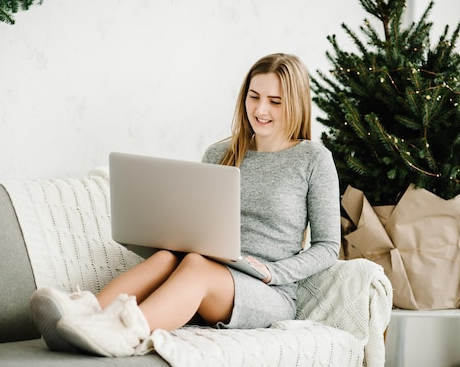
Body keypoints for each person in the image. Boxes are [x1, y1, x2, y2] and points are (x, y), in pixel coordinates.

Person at [29, 52, 341, 357]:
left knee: (194, 265)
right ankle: (83, 316)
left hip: (268, 291)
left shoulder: (313, 160)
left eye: (275, 102)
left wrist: (273, 271)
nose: (260, 109)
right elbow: (196, 224)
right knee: (169, 256)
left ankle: (123, 334)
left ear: (296, 104)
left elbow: (328, 246)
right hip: (208, 268)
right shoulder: (220, 153)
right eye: (253, 96)